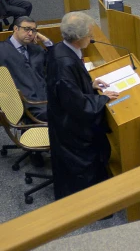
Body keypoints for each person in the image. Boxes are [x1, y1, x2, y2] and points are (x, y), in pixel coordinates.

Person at [46, 12, 119, 201]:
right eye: (90, 34)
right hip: (70, 128)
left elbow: (71, 87)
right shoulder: (65, 63)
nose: (92, 37)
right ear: (79, 38)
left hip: (63, 117)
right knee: (86, 165)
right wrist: (102, 99)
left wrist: (90, 85)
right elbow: (76, 104)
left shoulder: (61, 49)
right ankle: (90, 206)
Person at [0, 17, 53, 122]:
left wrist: (47, 42)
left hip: (46, 99)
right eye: (26, 29)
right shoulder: (2, 50)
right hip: (25, 105)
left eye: (33, 30)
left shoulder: (36, 49)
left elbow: (56, 64)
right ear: (16, 28)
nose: (30, 33)